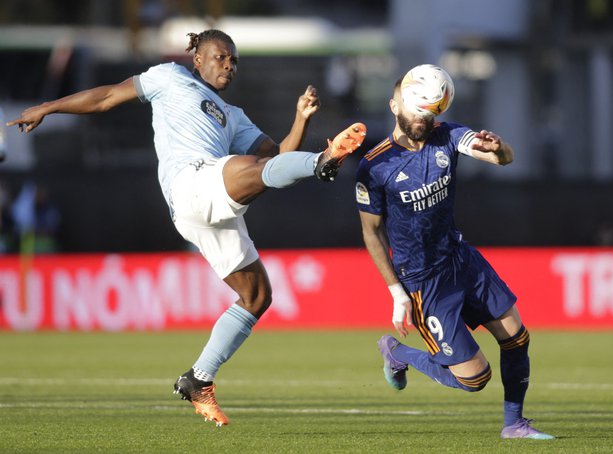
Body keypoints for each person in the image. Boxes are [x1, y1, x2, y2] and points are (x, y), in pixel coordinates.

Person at [7, 29, 366, 428]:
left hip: (214, 203)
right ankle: (323, 162)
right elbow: (106, 96)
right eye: (219, 56)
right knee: (252, 170)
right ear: (197, 58)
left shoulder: (234, 115)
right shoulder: (168, 77)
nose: (228, 64)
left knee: (257, 296)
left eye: (234, 60)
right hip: (191, 183)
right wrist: (48, 106)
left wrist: (299, 119)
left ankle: (198, 379)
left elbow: (278, 158)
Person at [355, 64, 554, 440]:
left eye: (430, 112)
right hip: (423, 282)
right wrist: (397, 293)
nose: (424, 118)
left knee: (517, 336)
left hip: (461, 259)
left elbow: (502, 159)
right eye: (417, 110)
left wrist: (501, 149)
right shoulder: (375, 166)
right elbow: (371, 232)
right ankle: (399, 353)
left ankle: (515, 424)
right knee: (475, 378)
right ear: (394, 105)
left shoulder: (447, 136)